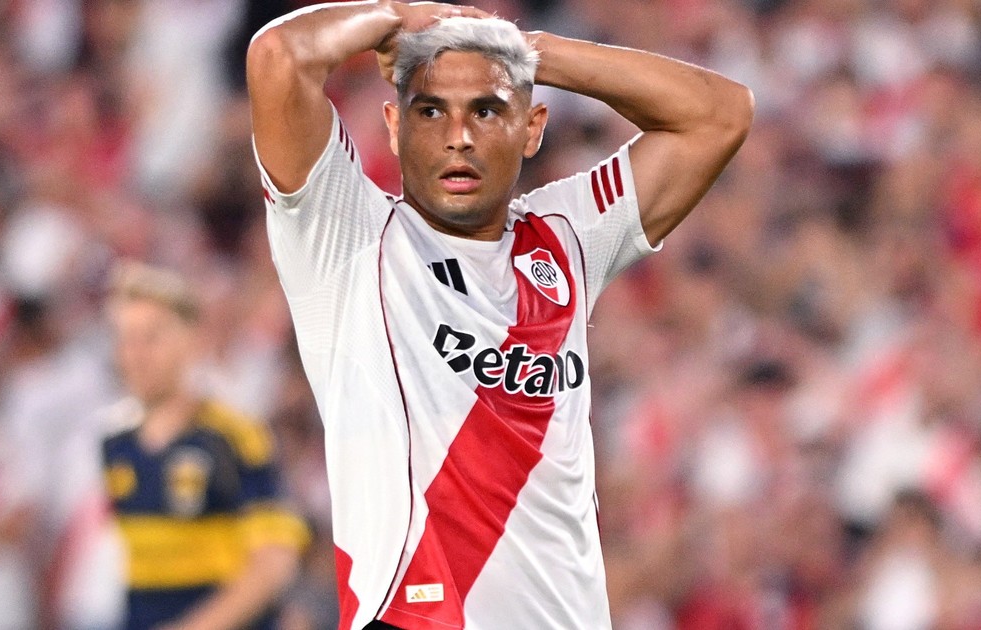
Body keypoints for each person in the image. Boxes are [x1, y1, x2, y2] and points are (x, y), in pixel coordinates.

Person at [246, 2, 753, 628]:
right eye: (431, 111)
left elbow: (719, 114)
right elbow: (278, 55)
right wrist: (397, 16)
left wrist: (527, 51)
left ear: (532, 127)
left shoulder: (567, 237)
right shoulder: (347, 237)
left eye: (486, 110)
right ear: (394, 126)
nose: (458, 135)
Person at [102, 263, 311, 630]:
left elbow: (276, 562)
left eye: (151, 337)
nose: (136, 353)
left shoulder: (235, 437)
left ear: (191, 341)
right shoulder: (114, 444)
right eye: (127, 338)